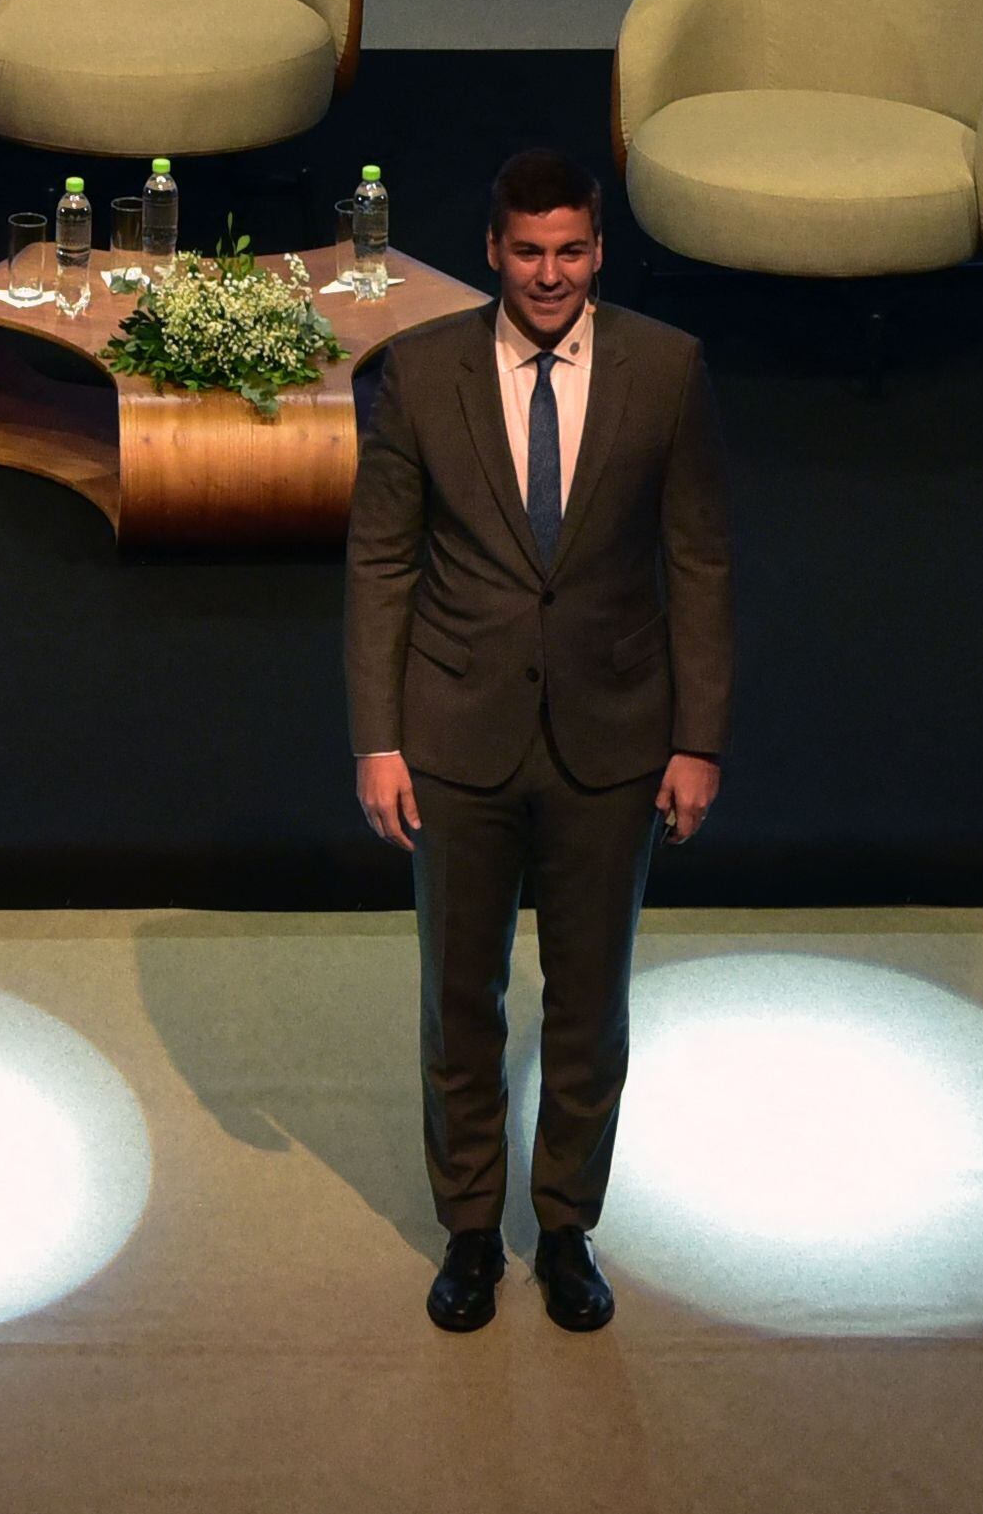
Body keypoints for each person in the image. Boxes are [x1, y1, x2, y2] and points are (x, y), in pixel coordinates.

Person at [342, 144, 732, 1335]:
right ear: (494, 250)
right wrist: (379, 737)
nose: (550, 273)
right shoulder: (417, 371)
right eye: (528, 251)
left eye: (571, 251)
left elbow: (698, 560)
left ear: (599, 251)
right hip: (456, 736)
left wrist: (698, 738)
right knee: (460, 999)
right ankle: (470, 1229)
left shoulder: (667, 371)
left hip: (615, 735)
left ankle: (566, 1228)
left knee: (589, 1004)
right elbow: (382, 560)